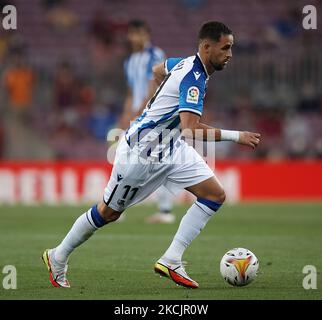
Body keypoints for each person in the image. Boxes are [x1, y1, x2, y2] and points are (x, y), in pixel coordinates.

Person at [42, 21, 261, 289]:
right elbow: (191, 129)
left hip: (171, 148)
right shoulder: (193, 78)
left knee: (215, 195)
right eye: (225, 48)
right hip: (140, 156)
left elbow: (159, 70)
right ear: (206, 47)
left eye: (231, 48)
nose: (230, 54)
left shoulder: (185, 64)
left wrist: (152, 105)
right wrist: (237, 135)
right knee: (108, 213)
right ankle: (58, 256)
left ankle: (171, 259)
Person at [119, 19, 175, 224]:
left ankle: (166, 211)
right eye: (133, 34)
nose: (136, 38)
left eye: (140, 33)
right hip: (136, 116)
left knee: (155, 162)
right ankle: (118, 207)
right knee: (128, 160)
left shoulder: (155, 55)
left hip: (151, 116)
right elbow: (131, 90)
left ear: (147, 35)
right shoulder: (129, 61)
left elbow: (154, 85)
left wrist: (140, 111)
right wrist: (126, 114)